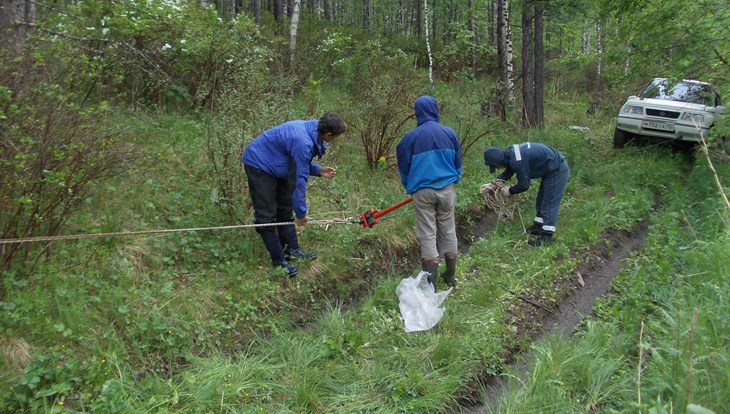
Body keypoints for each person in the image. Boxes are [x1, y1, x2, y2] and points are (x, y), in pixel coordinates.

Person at [242, 112, 347, 277]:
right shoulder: (302, 141)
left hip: (276, 164)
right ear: (328, 134)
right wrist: (301, 213)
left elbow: (298, 161)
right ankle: (279, 262)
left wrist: (318, 170)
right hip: (259, 164)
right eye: (335, 137)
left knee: (284, 209)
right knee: (266, 216)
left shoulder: (313, 129)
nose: (335, 140)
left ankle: (293, 251)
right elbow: (299, 180)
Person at [396, 96, 463, 289]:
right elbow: (458, 163)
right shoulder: (449, 133)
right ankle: (450, 277)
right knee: (448, 229)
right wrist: (452, 179)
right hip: (447, 190)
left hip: (422, 191)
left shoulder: (410, 138)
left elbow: (404, 167)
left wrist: (410, 185)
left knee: (427, 233)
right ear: (435, 109)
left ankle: (430, 284)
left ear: (418, 112)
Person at [483, 142, 570, 247]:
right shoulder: (511, 154)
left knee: (548, 202)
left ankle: (546, 236)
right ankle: (538, 226)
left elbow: (524, 185)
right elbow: (509, 171)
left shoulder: (517, 160)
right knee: (541, 199)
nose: (496, 168)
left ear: (498, 161)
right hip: (549, 169)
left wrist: (509, 191)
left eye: (495, 166)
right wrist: (493, 184)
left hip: (557, 169)